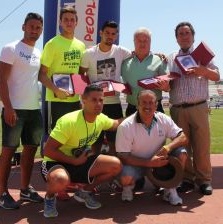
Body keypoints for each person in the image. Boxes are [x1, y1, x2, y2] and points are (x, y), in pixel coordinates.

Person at [41, 84, 122, 218]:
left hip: (80, 161)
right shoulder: (69, 121)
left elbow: (117, 123)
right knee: (60, 180)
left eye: (101, 100)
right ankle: (49, 198)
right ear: (83, 99)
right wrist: (74, 161)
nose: (98, 103)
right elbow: (48, 151)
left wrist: (139, 115)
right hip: (56, 163)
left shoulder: (101, 118)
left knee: (115, 165)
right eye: (94, 100)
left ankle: (84, 192)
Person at [0, 13, 44, 210]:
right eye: (31, 26)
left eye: (38, 28)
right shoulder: (10, 48)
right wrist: (8, 107)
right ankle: (3, 194)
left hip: (34, 109)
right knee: (8, 150)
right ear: (23, 27)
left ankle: (25, 189)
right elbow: (1, 80)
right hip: (14, 109)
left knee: (31, 149)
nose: (35, 30)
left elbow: (42, 77)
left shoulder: (39, 53)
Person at [168, 22, 220, 195]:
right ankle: (187, 179)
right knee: (182, 147)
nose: (184, 36)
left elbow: (217, 75)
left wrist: (202, 70)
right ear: (176, 38)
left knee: (202, 146)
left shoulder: (202, 56)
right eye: (181, 34)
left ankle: (204, 180)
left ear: (193, 36)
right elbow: (167, 80)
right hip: (177, 108)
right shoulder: (171, 57)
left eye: (187, 33)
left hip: (198, 106)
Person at [116, 90, 188, 205]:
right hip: (136, 164)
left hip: (159, 163)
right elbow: (123, 156)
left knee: (182, 153)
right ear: (137, 104)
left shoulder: (163, 118)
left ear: (156, 105)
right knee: (125, 177)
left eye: (151, 102)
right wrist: (149, 163)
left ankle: (171, 188)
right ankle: (128, 188)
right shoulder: (126, 126)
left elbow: (183, 137)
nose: (147, 106)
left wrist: (168, 147)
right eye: (144, 102)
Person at [79, 20, 131, 155]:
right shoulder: (89, 53)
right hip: (94, 105)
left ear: (116, 35)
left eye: (113, 34)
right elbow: (81, 76)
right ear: (100, 33)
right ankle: (94, 171)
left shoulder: (121, 51)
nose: (110, 36)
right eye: (107, 33)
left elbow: (139, 54)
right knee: (95, 143)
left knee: (115, 142)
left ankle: (113, 171)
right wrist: (83, 100)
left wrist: (158, 54)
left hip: (114, 103)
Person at [38, 6, 85, 130]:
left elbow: (80, 73)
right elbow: (41, 74)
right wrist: (56, 90)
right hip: (55, 101)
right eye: (65, 20)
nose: (69, 22)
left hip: (74, 100)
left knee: (72, 137)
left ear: (76, 22)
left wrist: (81, 96)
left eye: (72, 19)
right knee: (54, 139)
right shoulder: (52, 44)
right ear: (60, 22)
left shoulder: (81, 45)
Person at [122, 27, 170, 117]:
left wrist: (166, 87)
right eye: (139, 40)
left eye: (146, 41)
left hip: (154, 109)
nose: (142, 43)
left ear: (150, 42)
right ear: (134, 42)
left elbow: (168, 87)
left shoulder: (160, 60)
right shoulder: (125, 62)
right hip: (132, 109)